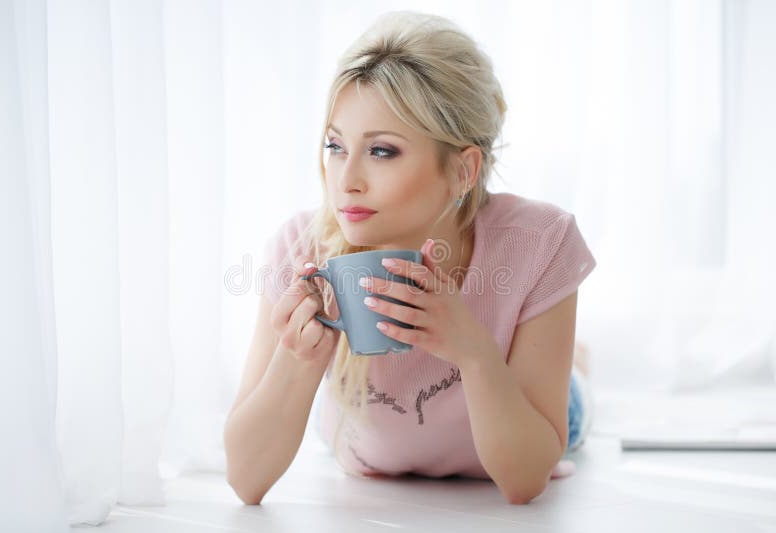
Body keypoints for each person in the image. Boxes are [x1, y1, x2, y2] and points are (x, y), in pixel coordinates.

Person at [223, 10, 597, 506]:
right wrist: (297, 362)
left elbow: (525, 481)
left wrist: (476, 352)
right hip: (369, 450)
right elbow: (245, 480)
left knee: (570, 394)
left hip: (530, 416)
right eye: (336, 146)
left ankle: (575, 367)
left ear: (463, 170)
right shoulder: (302, 250)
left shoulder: (537, 243)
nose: (346, 179)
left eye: (381, 151)